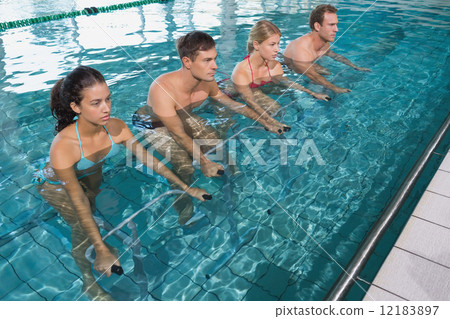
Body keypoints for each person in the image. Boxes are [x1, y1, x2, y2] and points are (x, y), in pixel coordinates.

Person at [35, 66, 211, 300]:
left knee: (100, 206)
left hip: (91, 178)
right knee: (81, 223)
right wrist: (100, 249)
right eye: (95, 103)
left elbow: (151, 162)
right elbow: (77, 199)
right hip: (55, 185)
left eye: (108, 99)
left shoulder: (115, 127)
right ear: (76, 107)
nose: (106, 108)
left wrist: (186, 187)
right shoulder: (64, 146)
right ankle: (89, 283)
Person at [133, 31, 291, 225]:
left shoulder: (207, 81)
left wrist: (265, 121)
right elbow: (178, 133)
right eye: (207, 60)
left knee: (217, 144)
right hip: (153, 124)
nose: (215, 66)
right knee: (184, 164)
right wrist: (203, 161)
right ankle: (185, 212)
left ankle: (236, 179)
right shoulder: (163, 88)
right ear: (187, 62)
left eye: (215, 59)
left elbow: (232, 104)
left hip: (182, 116)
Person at [229, 20, 330, 119]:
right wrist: (272, 123)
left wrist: (313, 94)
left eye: (278, 44)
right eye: (272, 44)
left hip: (260, 86)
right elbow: (249, 100)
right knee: (275, 109)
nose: (277, 49)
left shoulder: (275, 66)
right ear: (256, 45)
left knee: (290, 94)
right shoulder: (241, 71)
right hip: (234, 93)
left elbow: (287, 82)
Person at [283, 4, 371, 93]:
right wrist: (335, 88)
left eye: (336, 24)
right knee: (320, 81)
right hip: (287, 69)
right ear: (317, 26)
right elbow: (312, 75)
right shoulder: (301, 49)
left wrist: (355, 67)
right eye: (331, 25)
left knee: (326, 72)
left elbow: (334, 55)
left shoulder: (324, 42)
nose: (336, 29)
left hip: (307, 64)